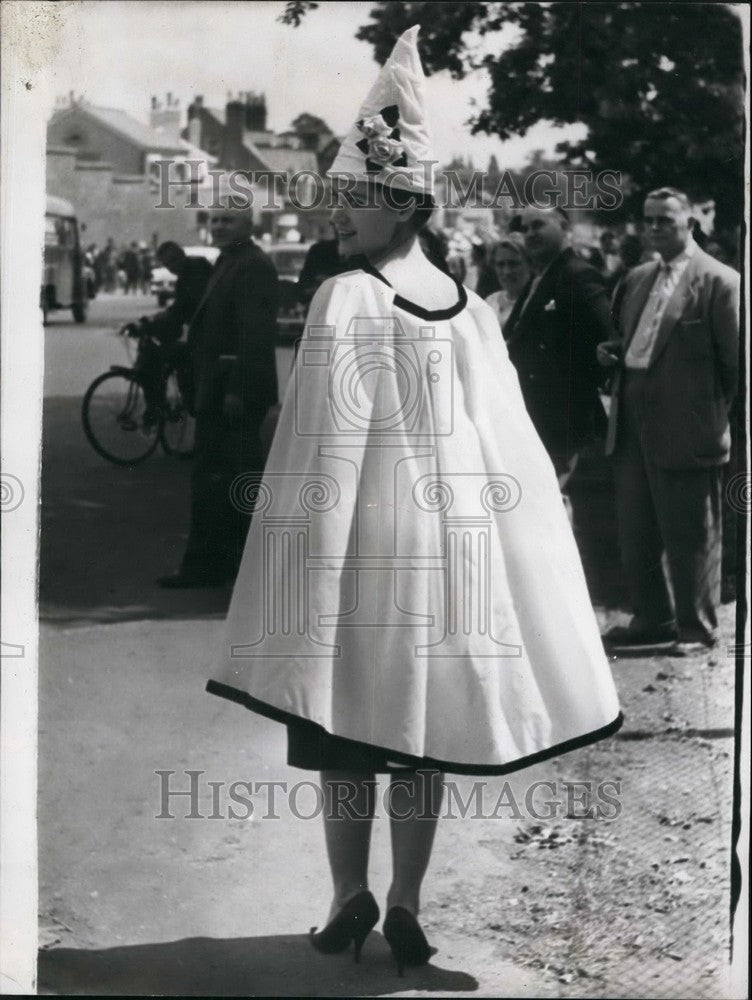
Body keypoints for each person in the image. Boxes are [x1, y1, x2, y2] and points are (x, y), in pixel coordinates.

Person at [207, 27, 621, 975]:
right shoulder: (465, 303)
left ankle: (348, 896)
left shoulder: (346, 296)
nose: (337, 218)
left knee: (344, 719)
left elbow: (320, 437)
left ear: (399, 206)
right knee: (422, 723)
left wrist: (290, 546)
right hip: (449, 547)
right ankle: (404, 902)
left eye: (351, 201)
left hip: (362, 547)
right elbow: (500, 434)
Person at [598, 187, 739, 655]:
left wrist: (713, 417)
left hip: (688, 420)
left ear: (690, 223)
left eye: (666, 220)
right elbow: (637, 341)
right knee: (636, 526)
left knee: (690, 531)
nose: (655, 227)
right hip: (633, 413)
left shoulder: (721, 281)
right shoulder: (637, 278)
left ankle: (697, 627)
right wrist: (614, 353)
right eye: (649, 219)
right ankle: (652, 618)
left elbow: (735, 365)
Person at [158, 205, 279, 588]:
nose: (220, 226)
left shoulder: (253, 266)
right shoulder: (228, 262)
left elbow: (254, 335)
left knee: (230, 482)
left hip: (233, 392)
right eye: (215, 220)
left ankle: (230, 570)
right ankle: (217, 567)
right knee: (217, 481)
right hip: (218, 388)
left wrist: (236, 390)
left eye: (229, 220)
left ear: (250, 225)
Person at [503, 206, 614, 494]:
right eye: (525, 229)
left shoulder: (577, 275)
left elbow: (610, 340)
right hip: (537, 418)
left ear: (565, 229)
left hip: (566, 422)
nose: (529, 234)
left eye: (538, 225)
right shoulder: (541, 278)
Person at [139, 241, 214, 416]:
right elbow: (179, 308)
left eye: (173, 261)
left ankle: (181, 404)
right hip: (199, 335)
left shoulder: (197, 271)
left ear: (182, 255)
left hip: (207, 339)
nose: (171, 267)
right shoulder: (186, 275)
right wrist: (157, 319)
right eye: (167, 265)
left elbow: (185, 308)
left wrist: (156, 321)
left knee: (163, 358)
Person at [484, 233, 533, 328]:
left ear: (529, 264)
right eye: (500, 264)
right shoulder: (491, 301)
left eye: (514, 264)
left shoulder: (535, 302)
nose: (507, 272)